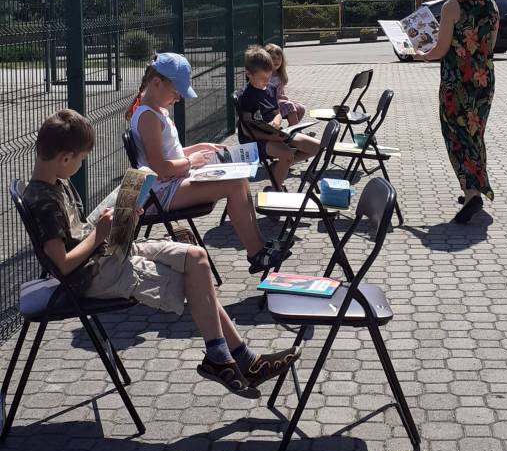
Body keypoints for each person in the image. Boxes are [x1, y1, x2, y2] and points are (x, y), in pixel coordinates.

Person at [23, 110, 301, 397]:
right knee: (195, 282)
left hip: (107, 255)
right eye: (81, 159)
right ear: (65, 158)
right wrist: (100, 233)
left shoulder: (57, 182)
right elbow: (62, 265)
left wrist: (123, 218)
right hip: (94, 276)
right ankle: (232, 359)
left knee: (196, 258)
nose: (81, 165)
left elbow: (80, 234)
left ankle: (233, 358)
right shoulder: (44, 202)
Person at [127, 53, 279, 275]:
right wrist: (191, 161)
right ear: (157, 83)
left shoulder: (157, 111)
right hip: (161, 193)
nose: (178, 99)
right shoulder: (148, 117)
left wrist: (201, 147)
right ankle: (256, 253)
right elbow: (160, 167)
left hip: (172, 183)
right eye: (176, 92)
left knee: (240, 178)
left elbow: (171, 153)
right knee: (234, 185)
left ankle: (259, 244)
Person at [414, 0, 499, 224]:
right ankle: (475, 188)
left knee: (456, 136)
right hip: (483, 80)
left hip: (457, 82)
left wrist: (419, 55)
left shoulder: (452, 7)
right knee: (475, 134)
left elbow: (440, 49)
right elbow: (490, 46)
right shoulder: (492, 6)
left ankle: (472, 193)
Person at [237, 46, 319, 191]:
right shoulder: (246, 96)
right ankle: (276, 190)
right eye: (262, 79)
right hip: (254, 140)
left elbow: (277, 113)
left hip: (275, 132)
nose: (266, 81)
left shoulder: (271, 88)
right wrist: (273, 137)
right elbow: (247, 131)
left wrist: (276, 121)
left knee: (317, 146)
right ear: (248, 74)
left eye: (269, 77)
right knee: (286, 154)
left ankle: (279, 165)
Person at [265, 43, 306, 125]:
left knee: (301, 108)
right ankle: (296, 130)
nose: (276, 61)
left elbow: (281, 91)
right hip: (269, 103)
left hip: (279, 101)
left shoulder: (280, 75)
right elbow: (264, 94)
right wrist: (279, 97)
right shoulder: (264, 75)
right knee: (289, 105)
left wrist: (283, 96)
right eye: (273, 58)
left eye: (279, 58)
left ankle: (291, 128)